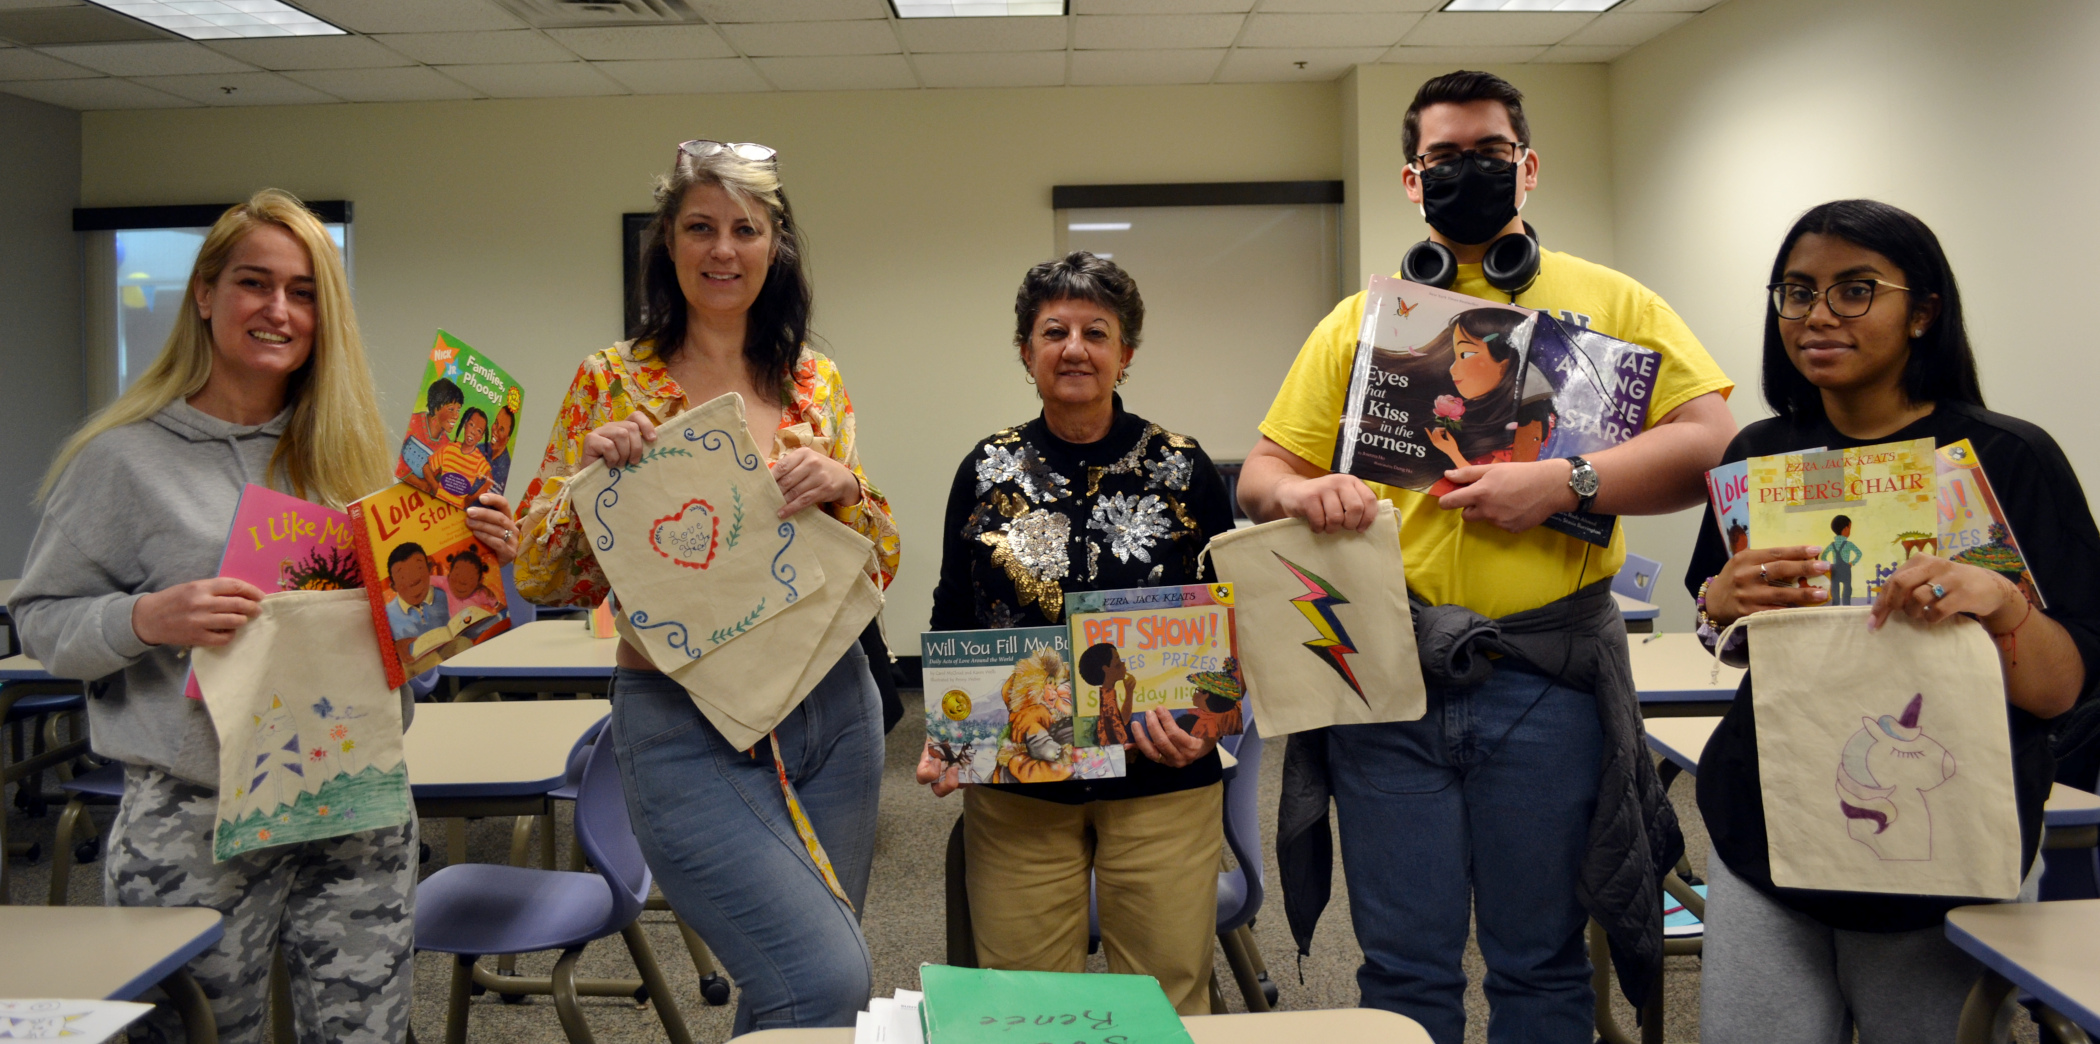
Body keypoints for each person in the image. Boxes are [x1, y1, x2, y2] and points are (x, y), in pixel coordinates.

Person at [1239, 70, 1738, 1044]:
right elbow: (1263, 471)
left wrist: (1567, 482)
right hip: (1391, 679)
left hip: (1546, 682)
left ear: (1530, 165)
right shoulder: (1363, 322)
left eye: (1490, 155)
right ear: (1411, 180)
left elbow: (1714, 443)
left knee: (1542, 965)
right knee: (1406, 968)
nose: (1468, 173)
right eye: (1445, 159)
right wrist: (1304, 491)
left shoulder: (1612, 300)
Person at [8, 188, 521, 1044]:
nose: (279, 310)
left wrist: (466, 581)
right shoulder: (122, 460)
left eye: (305, 290)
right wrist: (147, 618)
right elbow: (42, 623)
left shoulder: (353, 461)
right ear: (204, 295)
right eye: (254, 282)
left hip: (355, 807)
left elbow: (413, 657)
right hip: (196, 817)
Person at [1687, 199, 2100, 1044]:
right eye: (1797, 292)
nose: (1818, 316)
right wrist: (1719, 607)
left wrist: (2002, 603)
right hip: (1765, 817)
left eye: (1855, 290)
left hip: (1940, 835)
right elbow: (1724, 641)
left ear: (1922, 313)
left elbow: (2062, 692)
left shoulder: (2006, 458)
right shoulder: (1760, 456)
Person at [514, 139, 900, 1034]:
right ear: (669, 245)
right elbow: (541, 571)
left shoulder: (815, 381)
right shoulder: (610, 383)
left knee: (792, 989)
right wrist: (589, 480)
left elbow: (875, 560)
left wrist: (849, 490)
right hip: (682, 720)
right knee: (826, 972)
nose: (723, 250)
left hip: (835, 707)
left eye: (745, 229)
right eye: (701, 228)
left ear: (776, 247)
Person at [918, 252, 1238, 1016]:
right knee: (1028, 1006)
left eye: (1097, 332)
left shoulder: (1185, 467)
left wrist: (1212, 721)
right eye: (1053, 330)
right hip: (1021, 782)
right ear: (1026, 351)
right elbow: (952, 611)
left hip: (1164, 772)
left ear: (1125, 353)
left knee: (1165, 1001)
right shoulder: (986, 468)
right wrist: (947, 729)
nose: (1074, 348)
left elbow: (1233, 623)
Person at [1822, 514, 1861, 606]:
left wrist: (1830, 565)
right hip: (1845, 568)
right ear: (1846, 529)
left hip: (1836, 568)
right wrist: (1852, 563)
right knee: (1847, 589)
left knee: (1835, 589)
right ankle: (1846, 606)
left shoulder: (1832, 545)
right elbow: (1859, 553)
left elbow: (1824, 556)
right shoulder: (1849, 544)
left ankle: (1835, 607)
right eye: (1850, 528)